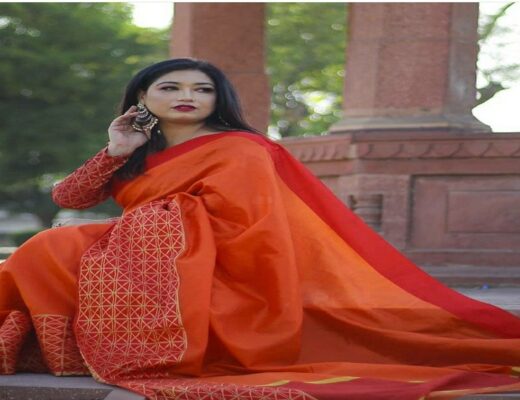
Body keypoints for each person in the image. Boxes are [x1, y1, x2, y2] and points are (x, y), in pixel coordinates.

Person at [0, 58, 519, 400]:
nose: (188, 95)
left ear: (216, 99)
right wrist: (114, 152)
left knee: (61, 243)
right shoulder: (139, 151)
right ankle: (63, 351)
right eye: (170, 87)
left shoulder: (241, 147)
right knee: (46, 246)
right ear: (141, 97)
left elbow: (243, 220)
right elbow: (70, 197)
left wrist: (150, 227)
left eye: (201, 89)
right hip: (142, 251)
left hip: (212, 265)